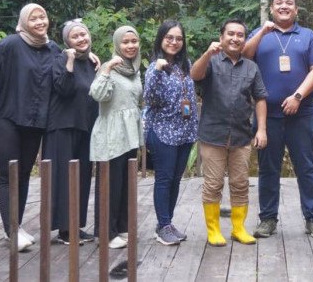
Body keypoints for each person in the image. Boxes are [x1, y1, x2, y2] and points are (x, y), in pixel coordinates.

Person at [0, 4, 61, 251]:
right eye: (34, 18)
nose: (40, 21)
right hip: (5, 117)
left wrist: (88, 58)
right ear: (23, 22)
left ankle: (16, 226)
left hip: (34, 121)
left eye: (43, 16)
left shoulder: (53, 48)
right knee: (8, 173)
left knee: (22, 174)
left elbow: (66, 72)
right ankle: (11, 230)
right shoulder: (11, 44)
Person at [242, 0, 313, 240]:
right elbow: (245, 56)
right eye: (279, 3)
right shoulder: (261, 33)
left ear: (296, 9)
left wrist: (298, 96)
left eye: (289, 3)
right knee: (268, 168)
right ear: (271, 8)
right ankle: (267, 219)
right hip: (268, 115)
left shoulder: (307, 36)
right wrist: (262, 33)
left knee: (307, 167)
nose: (284, 7)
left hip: (302, 113)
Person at [190, 19, 268, 246]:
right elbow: (195, 75)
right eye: (230, 34)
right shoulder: (211, 62)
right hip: (212, 135)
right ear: (222, 37)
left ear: (245, 39)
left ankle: (239, 228)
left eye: (240, 35)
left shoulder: (251, 67)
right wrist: (207, 54)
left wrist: (261, 129)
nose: (235, 38)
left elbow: (261, 98)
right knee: (213, 184)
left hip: (242, 135)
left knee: (240, 183)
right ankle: (213, 230)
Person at [143, 20, 198, 246]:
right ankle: (162, 225)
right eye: (169, 38)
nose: (174, 42)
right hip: (162, 131)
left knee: (175, 180)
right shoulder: (155, 66)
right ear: (161, 39)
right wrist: (157, 71)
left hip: (184, 133)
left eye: (178, 38)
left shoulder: (185, 65)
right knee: (164, 180)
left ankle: (167, 223)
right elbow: (150, 97)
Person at [45, 19, 100, 245]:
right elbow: (64, 89)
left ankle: (76, 225)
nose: (81, 39)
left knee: (83, 177)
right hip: (63, 126)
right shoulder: (60, 60)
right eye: (75, 36)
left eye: (84, 35)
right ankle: (64, 230)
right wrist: (68, 60)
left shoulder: (92, 62)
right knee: (64, 178)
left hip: (86, 126)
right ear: (67, 41)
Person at [89, 26, 143, 249]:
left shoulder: (135, 69)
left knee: (125, 183)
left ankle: (122, 227)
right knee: (109, 183)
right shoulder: (108, 67)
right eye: (125, 42)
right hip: (111, 133)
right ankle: (105, 233)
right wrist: (107, 68)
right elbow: (98, 95)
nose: (130, 46)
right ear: (117, 44)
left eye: (134, 41)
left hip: (130, 134)